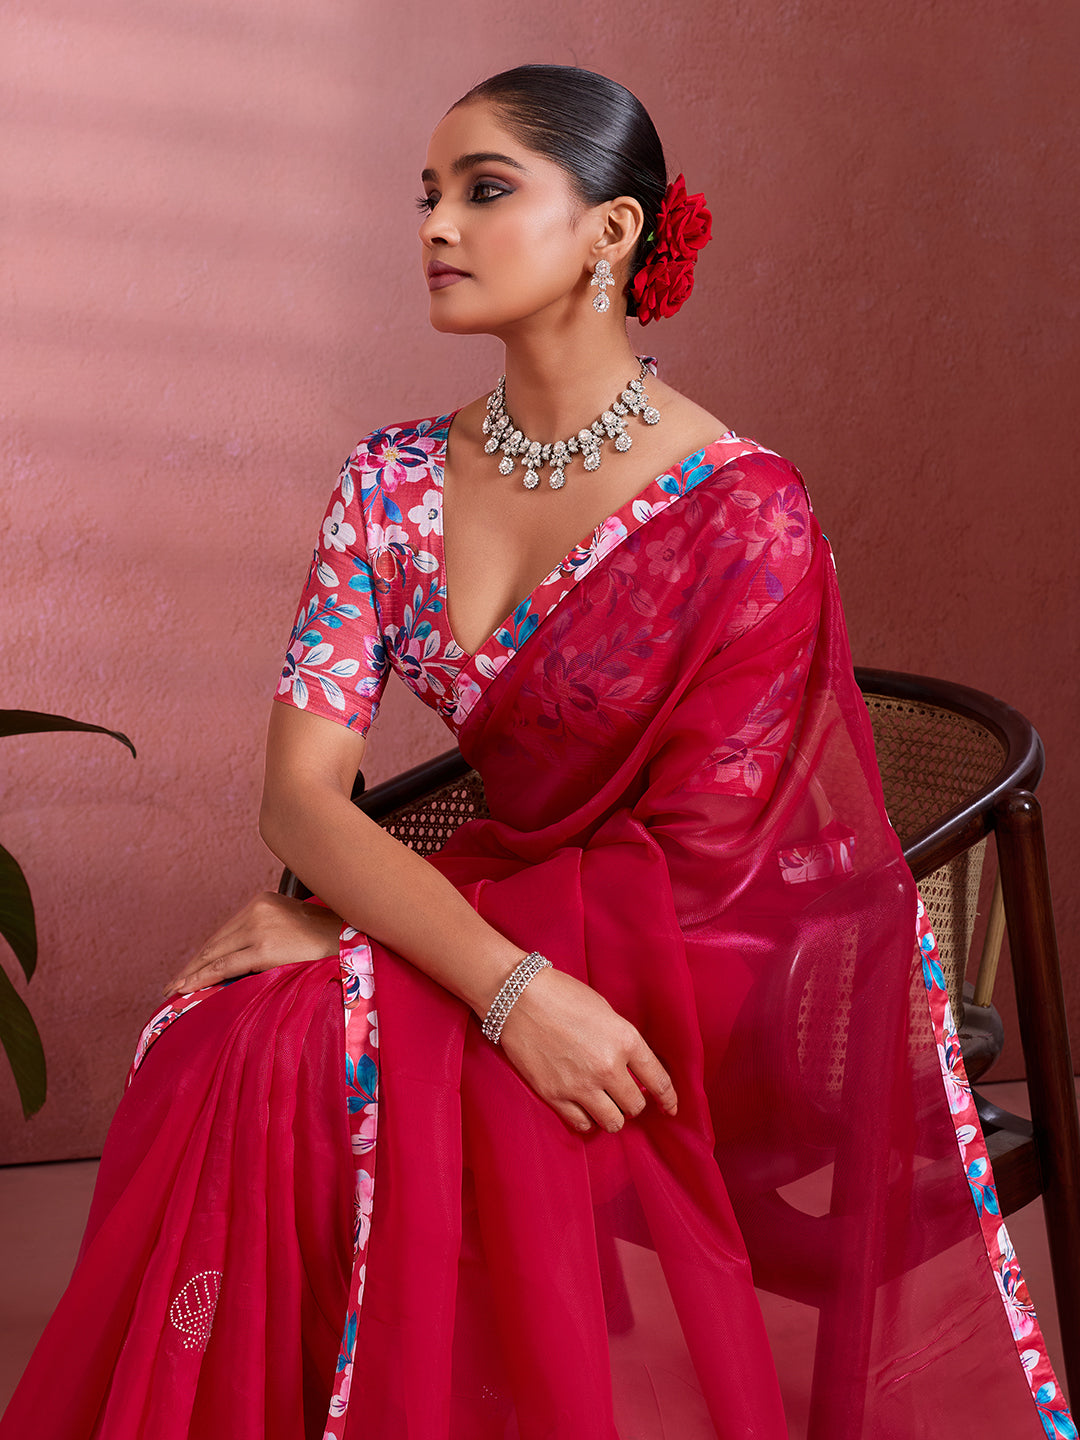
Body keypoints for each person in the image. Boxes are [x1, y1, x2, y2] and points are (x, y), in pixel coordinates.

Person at [2, 64, 1072, 1440]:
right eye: (429, 195)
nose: (438, 224)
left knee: (297, 1059)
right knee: (211, 1037)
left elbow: (715, 884)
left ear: (613, 236)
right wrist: (482, 975)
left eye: (487, 189)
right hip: (515, 922)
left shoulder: (746, 515)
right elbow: (300, 799)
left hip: (690, 974)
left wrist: (394, 953)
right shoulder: (387, 483)